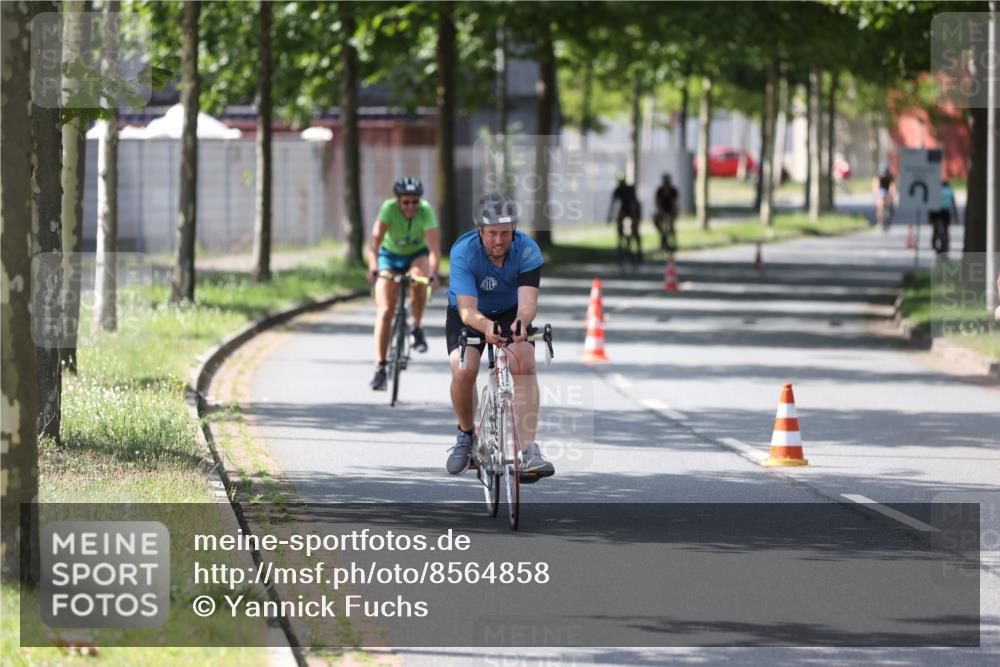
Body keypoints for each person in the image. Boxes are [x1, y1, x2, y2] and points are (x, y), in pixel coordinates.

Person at [444, 192, 554, 481]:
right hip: (470, 313)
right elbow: (467, 311)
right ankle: (466, 436)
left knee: (525, 361)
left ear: (513, 232)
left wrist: (520, 323)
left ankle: (529, 450)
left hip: (509, 311)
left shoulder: (527, 250)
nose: (498, 240)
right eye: (492, 233)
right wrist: (486, 328)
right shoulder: (463, 252)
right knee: (462, 367)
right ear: (480, 231)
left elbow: (528, 304)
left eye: (505, 233)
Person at [367, 177, 441, 391]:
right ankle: (380, 367)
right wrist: (373, 268)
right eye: (406, 202)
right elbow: (374, 244)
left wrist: (434, 274)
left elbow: (434, 248)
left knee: (419, 281)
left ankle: (416, 327)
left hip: (417, 256)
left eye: (414, 202)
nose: (411, 207)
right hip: (389, 257)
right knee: (385, 311)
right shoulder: (387, 209)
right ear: (397, 201)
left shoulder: (426, 211)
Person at [607, 173, 643, 262]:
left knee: (634, 229)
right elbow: (613, 203)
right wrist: (610, 215)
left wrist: (634, 218)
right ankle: (620, 244)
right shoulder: (617, 190)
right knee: (619, 224)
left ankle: (639, 250)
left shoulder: (630, 189)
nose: (621, 184)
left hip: (634, 208)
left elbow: (633, 204)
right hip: (625, 208)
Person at [929, 180, 959, 255]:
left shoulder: (935, 191)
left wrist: (929, 216)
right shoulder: (949, 191)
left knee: (935, 229)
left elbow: (930, 203)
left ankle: (934, 244)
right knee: (946, 230)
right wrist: (956, 215)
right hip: (946, 212)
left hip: (935, 212)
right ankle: (945, 245)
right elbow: (953, 203)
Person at [653, 173, 679, 254]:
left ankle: (673, 241)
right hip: (662, 211)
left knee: (670, 224)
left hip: (671, 211)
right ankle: (663, 238)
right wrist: (660, 212)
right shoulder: (659, 191)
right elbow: (657, 203)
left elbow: (674, 204)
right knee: (657, 222)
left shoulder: (673, 191)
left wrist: (673, 214)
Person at [873, 164, 895, 232]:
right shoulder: (877, 177)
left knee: (891, 205)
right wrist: (877, 196)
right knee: (880, 205)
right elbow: (876, 187)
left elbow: (892, 187)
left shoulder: (890, 177)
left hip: (887, 189)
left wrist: (891, 196)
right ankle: (880, 222)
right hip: (881, 190)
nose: (883, 176)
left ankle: (889, 220)